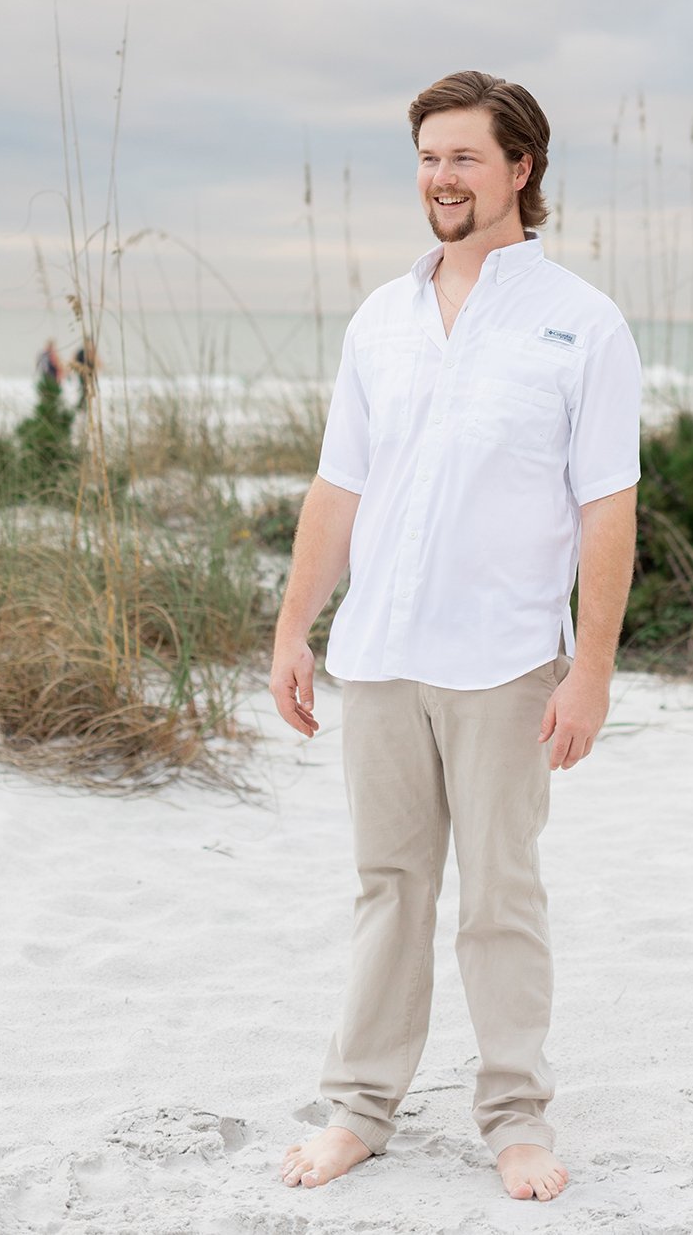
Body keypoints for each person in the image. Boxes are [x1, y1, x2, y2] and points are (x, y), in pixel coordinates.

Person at [271, 71, 641, 1205]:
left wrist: (589, 670)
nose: (440, 176)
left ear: (519, 168)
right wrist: (294, 629)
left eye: (464, 157)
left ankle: (514, 1119)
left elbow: (606, 510)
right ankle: (360, 1110)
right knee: (387, 887)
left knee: (498, 894)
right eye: (428, 156)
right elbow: (339, 487)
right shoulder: (380, 317)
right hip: (378, 653)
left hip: (504, 663)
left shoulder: (582, 323)